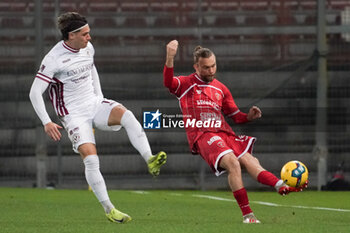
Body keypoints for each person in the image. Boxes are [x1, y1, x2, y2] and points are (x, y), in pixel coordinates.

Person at [29, 12, 167, 224]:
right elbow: (35, 92)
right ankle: (110, 209)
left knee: (127, 115)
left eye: (89, 33)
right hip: (73, 115)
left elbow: (92, 68)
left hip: (93, 104)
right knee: (92, 160)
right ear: (71, 35)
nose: (89, 38)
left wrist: (99, 97)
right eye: (85, 34)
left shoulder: (87, 48)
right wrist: (47, 121)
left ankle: (149, 159)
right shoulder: (53, 59)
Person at [163, 40, 307, 224]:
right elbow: (168, 82)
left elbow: (235, 115)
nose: (211, 70)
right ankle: (248, 215)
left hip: (224, 132)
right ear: (196, 67)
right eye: (206, 67)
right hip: (203, 134)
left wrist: (249, 116)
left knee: (250, 160)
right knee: (232, 162)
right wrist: (170, 57)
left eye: (213, 65)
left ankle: (280, 185)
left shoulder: (221, 88)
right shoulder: (185, 83)